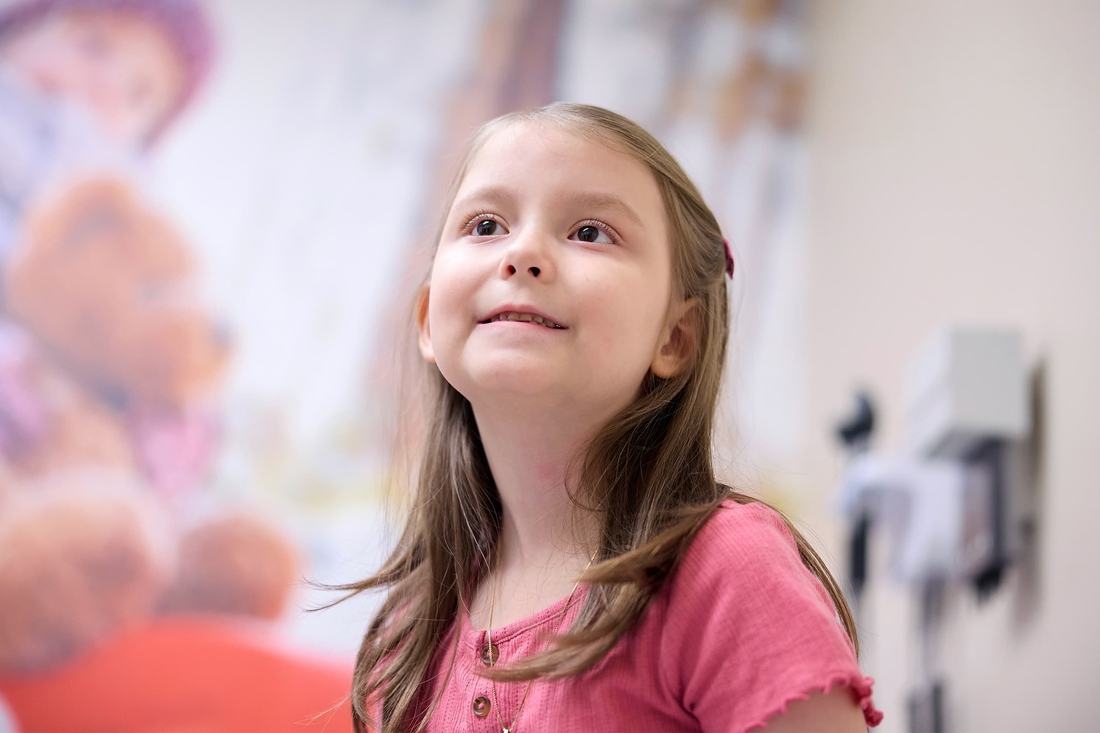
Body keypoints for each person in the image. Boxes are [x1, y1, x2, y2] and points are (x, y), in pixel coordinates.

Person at [344, 102, 883, 732]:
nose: (522, 255)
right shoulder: (408, 640)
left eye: (590, 232)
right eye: (487, 224)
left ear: (676, 337)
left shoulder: (725, 572)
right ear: (428, 320)